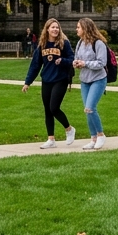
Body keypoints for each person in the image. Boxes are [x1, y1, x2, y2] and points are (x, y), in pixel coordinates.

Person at [21, 18, 77, 149]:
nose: (55, 29)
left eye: (57, 27)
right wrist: (27, 82)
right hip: (47, 80)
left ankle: (69, 129)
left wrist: (62, 60)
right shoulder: (42, 45)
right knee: (47, 110)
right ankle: (51, 139)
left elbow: (72, 59)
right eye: (52, 27)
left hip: (61, 79)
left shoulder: (64, 43)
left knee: (54, 107)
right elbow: (35, 65)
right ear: (47, 29)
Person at [73, 17, 112, 150]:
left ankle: (101, 135)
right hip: (85, 80)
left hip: (98, 79)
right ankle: (93, 138)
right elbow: (77, 58)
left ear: (86, 28)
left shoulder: (98, 43)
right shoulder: (79, 43)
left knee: (90, 108)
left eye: (78, 27)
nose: (76, 29)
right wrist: (76, 63)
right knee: (87, 110)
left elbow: (102, 63)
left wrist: (85, 63)